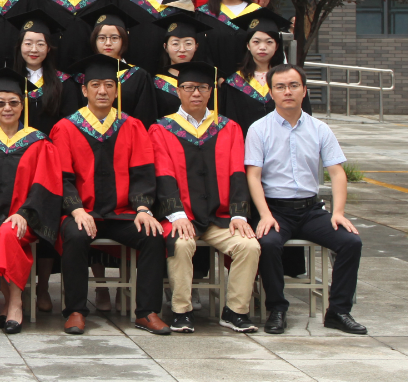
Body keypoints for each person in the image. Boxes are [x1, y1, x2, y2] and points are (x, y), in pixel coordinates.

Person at [52, 53, 169, 336]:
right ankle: (76, 311)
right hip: (82, 212)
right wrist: (76, 210)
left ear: (117, 91)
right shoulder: (66, 128)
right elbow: (62, 178)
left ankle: (147, 312)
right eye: (95, 85)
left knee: (153, 235)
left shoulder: (132, 126)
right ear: (84, 90)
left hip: (122, 213)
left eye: (108, 85)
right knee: (75, 235)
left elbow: (143, 174)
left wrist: (143, 209)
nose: (102, 91)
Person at [246, 64, 365, 335]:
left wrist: (338, 212)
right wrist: (264, 214)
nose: (287, 92)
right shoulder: (259, 129)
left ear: (304, 90)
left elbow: (337, 173)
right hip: (275, 209)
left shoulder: (319, 128)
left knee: (351, 242)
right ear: (271, 93)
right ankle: (277, 309)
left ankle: (338, 311)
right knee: (268, 243)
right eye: (280, 87)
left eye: (293, 86)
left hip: (311, 210)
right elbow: (253, 175)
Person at [149, 61, 261, 334]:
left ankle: (235, 311)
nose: (196, 93)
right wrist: (176, 214)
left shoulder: (228, 128)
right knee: (181, 244)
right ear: (178, 91)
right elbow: (163, 174)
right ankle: (181, 311)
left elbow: (237, 173)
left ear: (211, 92)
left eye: (202, 87)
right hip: (182, 215)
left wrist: (238, 214)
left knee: (249, 246)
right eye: (189, 87)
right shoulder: (162, 129)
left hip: (220, 216)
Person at [0, 68, 63, 334]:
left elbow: (45, 185)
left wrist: (24, 213)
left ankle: (15, 304)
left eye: (13, 102)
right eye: (0, 103)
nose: (7, 108)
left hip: (26, 219)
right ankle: (9, 303)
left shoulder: (39, 142)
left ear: (22, 104)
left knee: (8, 233)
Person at [221, 9, 312, 135]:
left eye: (269, 42)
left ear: (277, 46)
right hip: (246, 144)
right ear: (248, 45)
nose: (262, 47)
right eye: (256, 42)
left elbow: (305, 117)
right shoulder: (234, 83)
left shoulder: (291, 79)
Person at [79, 1, 159, 128]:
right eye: (102, 38)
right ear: (94, 40)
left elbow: (145, 116)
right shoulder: (83, 75)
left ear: (124, 40)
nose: (108, 43)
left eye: (114, 38)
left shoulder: (138, 76)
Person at [9, 9, 80, 135]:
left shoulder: (64, 83)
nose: (34, 49)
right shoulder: (9, 81)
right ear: (20, 47)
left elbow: (70, 126)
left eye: (40, 44)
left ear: (48, 48)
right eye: (28, 44)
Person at [149, 13, 208, 117]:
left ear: (196, 46)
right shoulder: (155, 84)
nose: (182, 49)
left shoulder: (206, 82)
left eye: (188, 43)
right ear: (165, 47)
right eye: (175, 44)